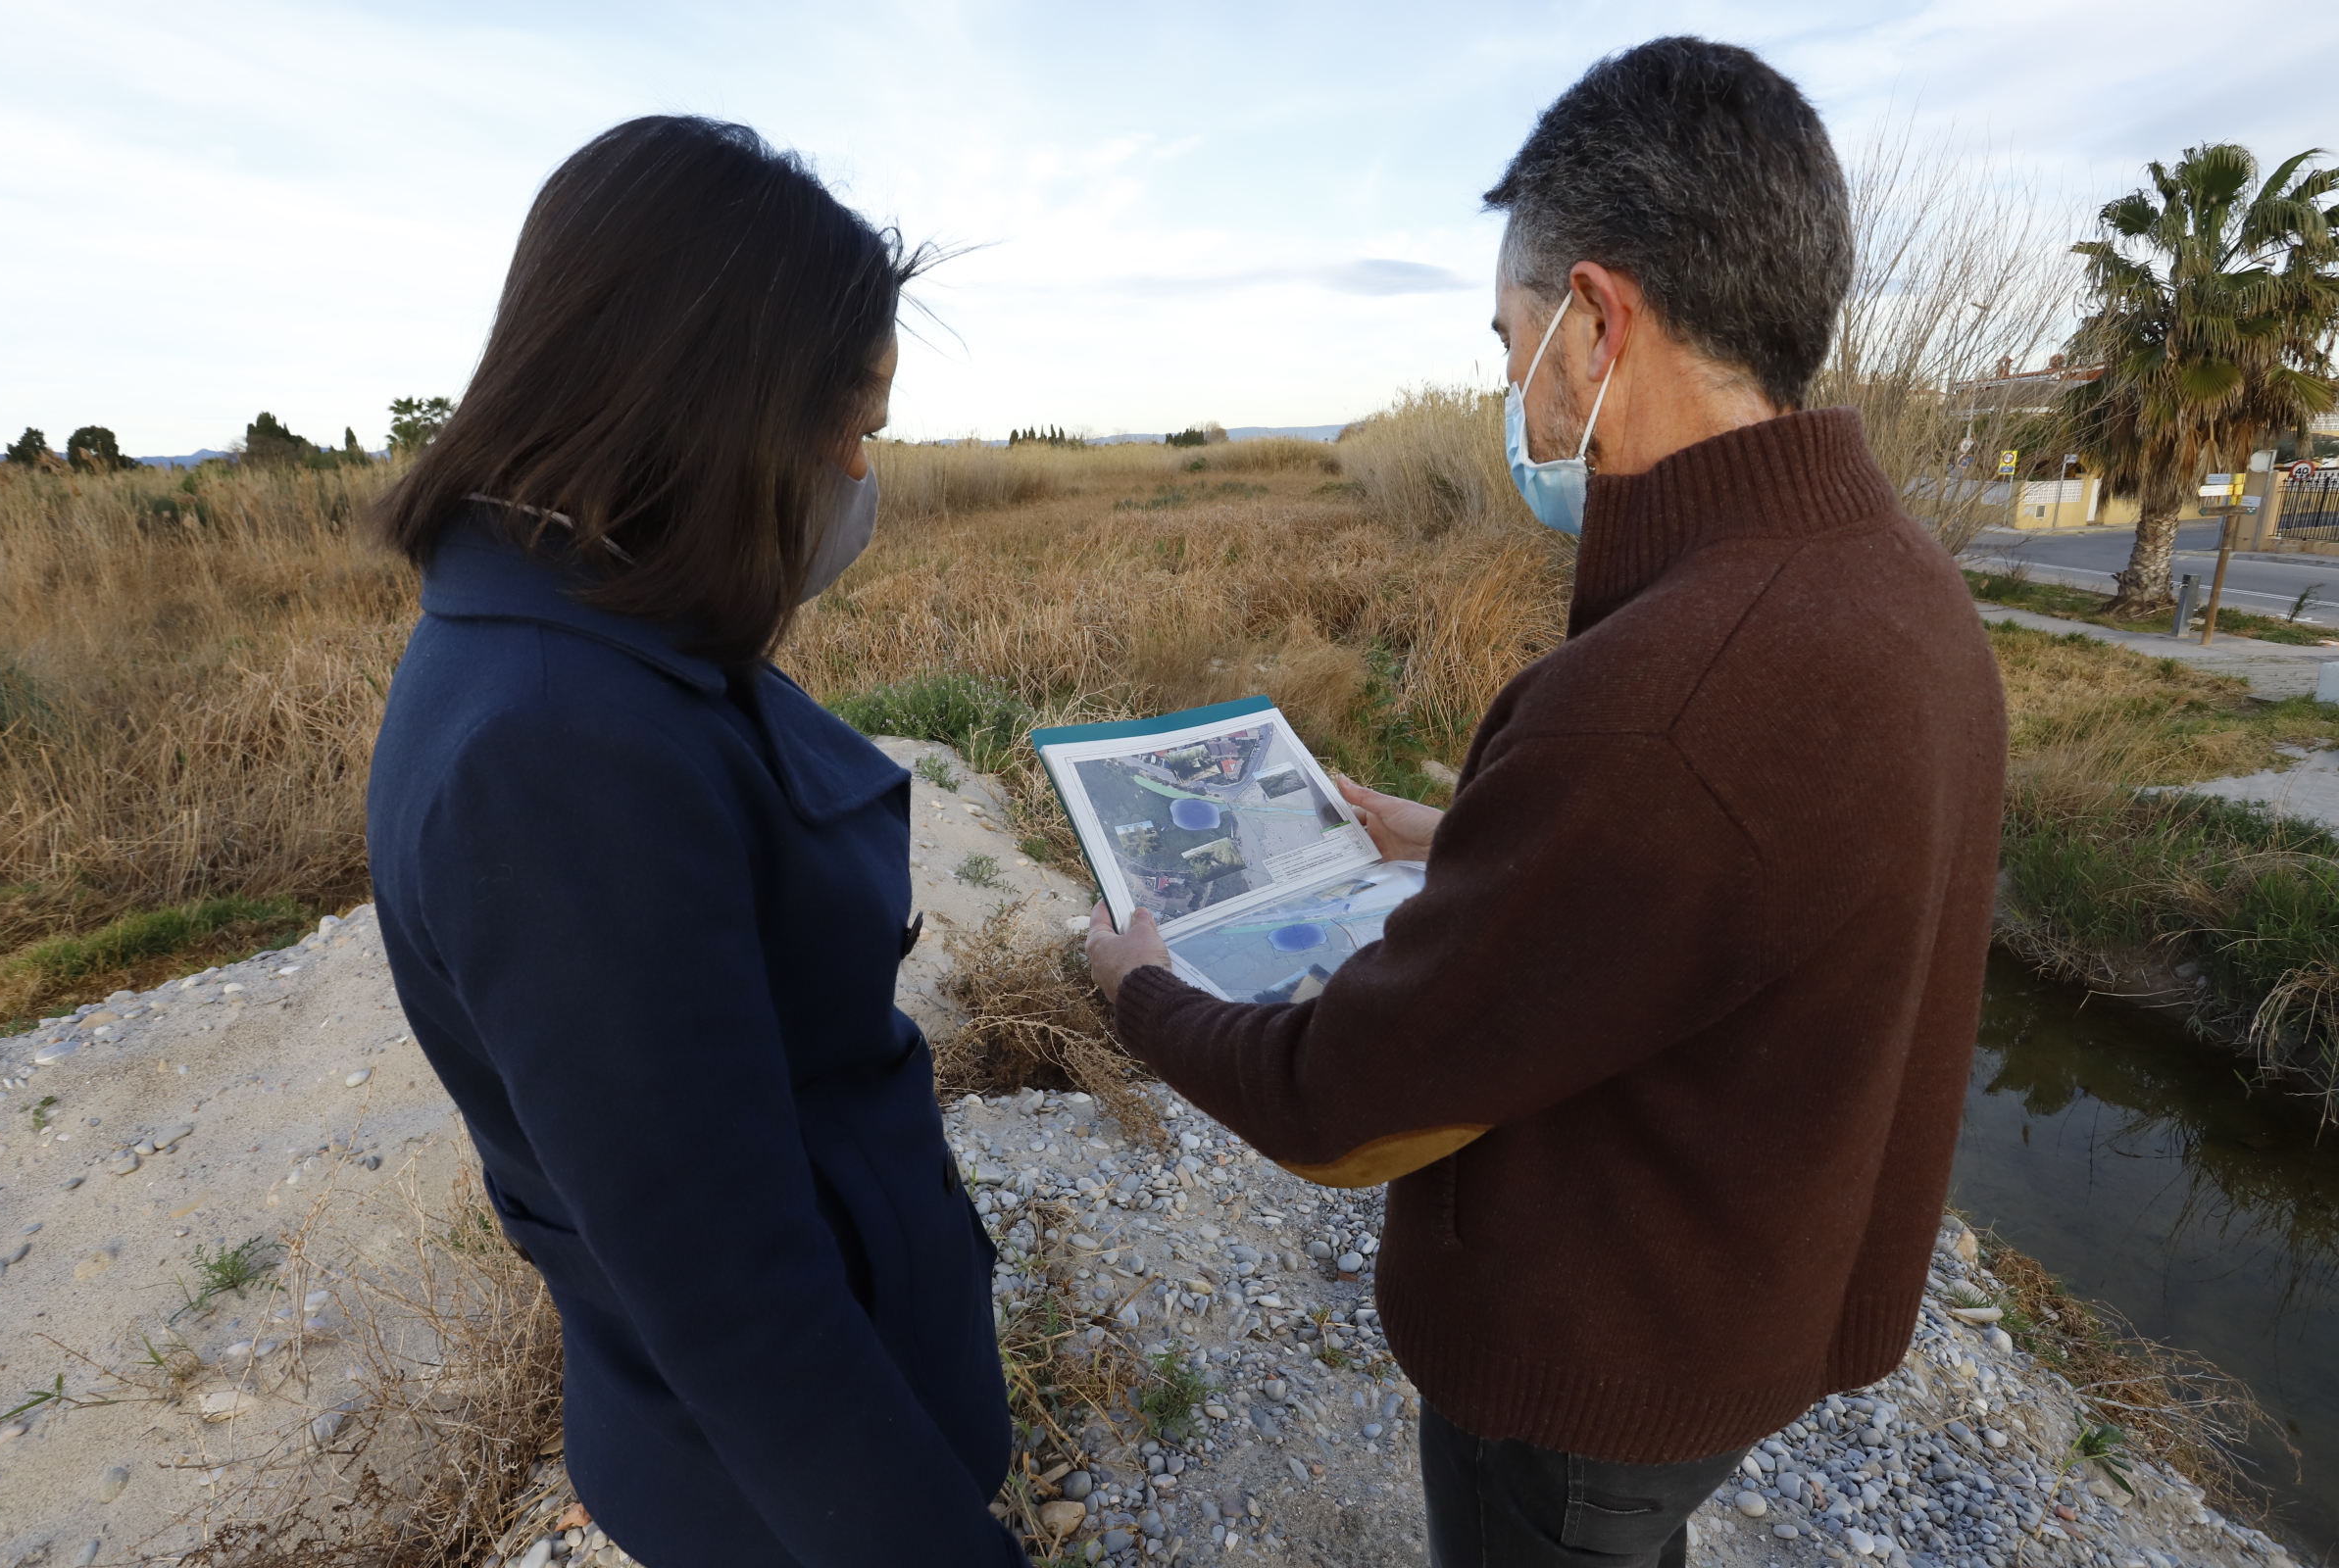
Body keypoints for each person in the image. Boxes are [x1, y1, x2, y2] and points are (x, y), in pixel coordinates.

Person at [1086, 37, 2009, 1568]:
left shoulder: (1659, 698)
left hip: (1594, 1384)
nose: (1506, 386)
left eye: (1507, 340)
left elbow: (1338, 1105)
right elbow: (1733, 899)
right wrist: (1465, 841)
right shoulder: (1899, 586)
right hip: (1744, 1316)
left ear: (1597, 323)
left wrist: (1136, 987)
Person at [364, 118, 1029, 1567]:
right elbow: (739, 1302)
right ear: (705, 401)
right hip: (783, 1509)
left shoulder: (590, 631)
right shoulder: (555, 757)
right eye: (847, 419)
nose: (861, 468)